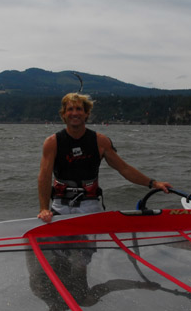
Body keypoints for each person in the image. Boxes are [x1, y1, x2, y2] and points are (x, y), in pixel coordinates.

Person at [37, 93, 171, 223]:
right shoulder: (52, 142)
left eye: (79, 109)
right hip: (61, 206)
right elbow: (44, 176)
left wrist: (154, 183)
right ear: (64, 114)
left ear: (86, 114)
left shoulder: (100, 141)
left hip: (91, 205)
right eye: (70, 109)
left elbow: (124, 168)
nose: (75, 113)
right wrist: (44, 209)